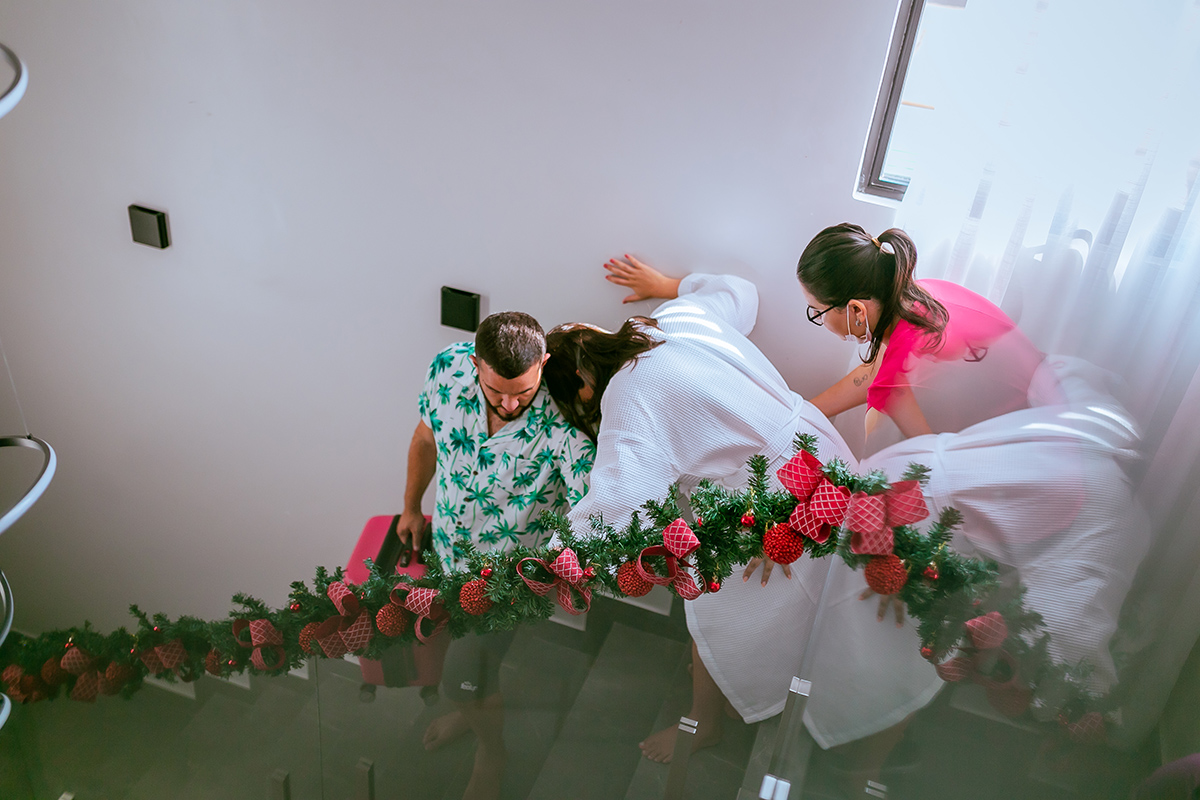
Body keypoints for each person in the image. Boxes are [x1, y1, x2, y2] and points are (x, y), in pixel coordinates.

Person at [793, 223, 1150, 786]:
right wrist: (801, 411)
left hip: (1054, 486)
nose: (821, 322)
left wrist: (877, 540)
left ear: (857, 310)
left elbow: (917, 464)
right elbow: (875, 377)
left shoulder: (901, 362)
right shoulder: (923, 296)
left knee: (1003, 636)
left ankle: (874, 759)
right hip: (1051, 434)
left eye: (819, 313)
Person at [544, 256, 855, 763]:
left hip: (772, 502)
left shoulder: (627, 395)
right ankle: (741, 693)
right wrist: (669, 285)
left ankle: (705, 721)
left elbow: (617, 502)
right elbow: (739, 291)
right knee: (791, 601)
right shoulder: (672, 319)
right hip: (821, 454)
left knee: (712, 608)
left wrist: (550, 559)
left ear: (581, 381)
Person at [399, 311, 595, 800]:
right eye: (496, 391)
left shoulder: (566, 422)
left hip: (506, 585)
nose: (509, 404)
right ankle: (471, 712)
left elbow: (594, 511)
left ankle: (492, 750)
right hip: (447, 551)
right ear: (475, 363)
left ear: (542, 364)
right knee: (462, 667)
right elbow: (425, 438)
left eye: (522, 392)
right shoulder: (448, 368)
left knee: (463, 679)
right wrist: (411, 507)